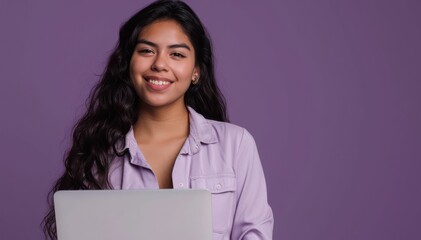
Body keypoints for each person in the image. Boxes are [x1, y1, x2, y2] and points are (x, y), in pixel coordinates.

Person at [42, 0, 273, 239]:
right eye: (147, 51)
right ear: (128, 64)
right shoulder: (100, 151)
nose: (160, 64)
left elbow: (254, 233)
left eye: (177, 54)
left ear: (196, 71)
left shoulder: (236, 145)